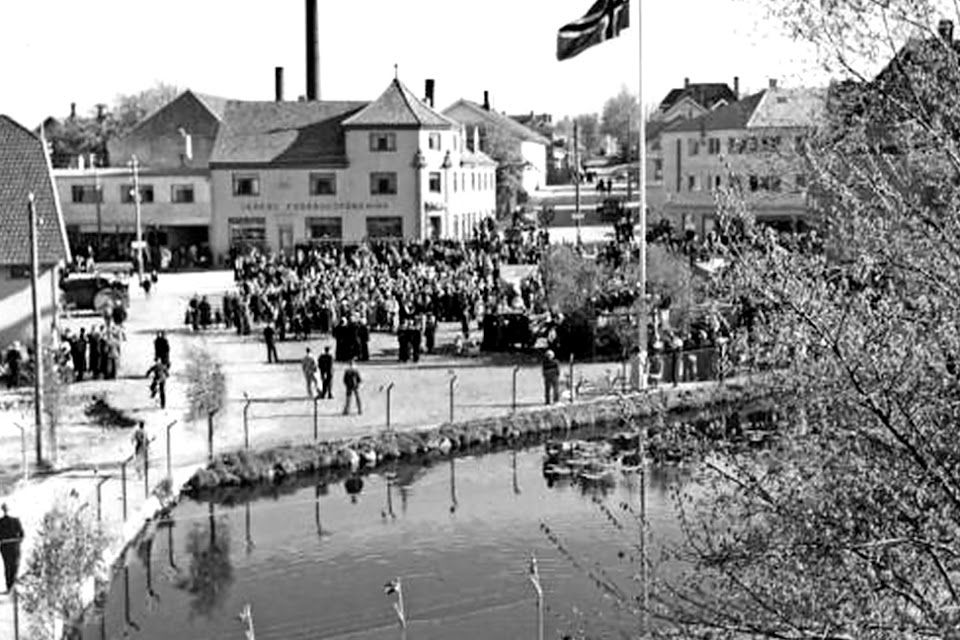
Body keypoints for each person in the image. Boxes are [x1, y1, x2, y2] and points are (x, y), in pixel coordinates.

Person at [0, 503, 24, 593]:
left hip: (5, 546)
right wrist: (18, 541)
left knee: (7, 566)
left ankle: (10, 586)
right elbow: (22, 534)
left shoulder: (0, 522)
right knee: (15, 565)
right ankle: (12, 586)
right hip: (14, 546)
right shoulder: (16, 520)